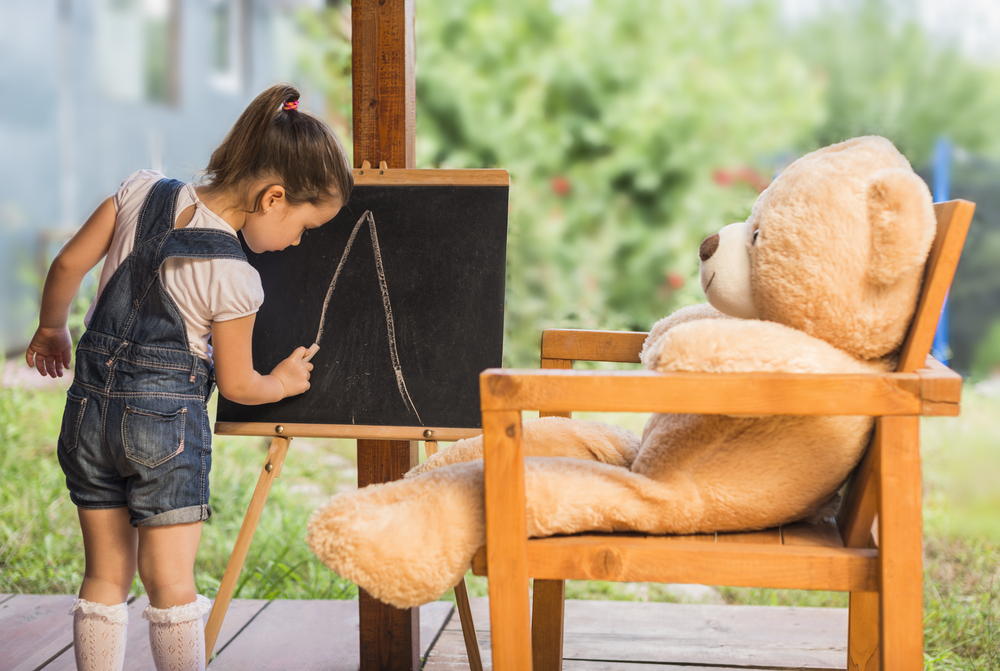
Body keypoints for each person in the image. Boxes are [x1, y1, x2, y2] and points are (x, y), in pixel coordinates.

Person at [24, 83, 353, 671]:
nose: (300, 241)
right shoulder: (233, 276)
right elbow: (238, 384)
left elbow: (69, 263)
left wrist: (52, 329)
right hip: (163, 435)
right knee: (170, 584)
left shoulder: (139, 190)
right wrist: (280, 381)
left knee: (102, 575)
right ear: (273, 197)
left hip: (87, 419)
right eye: (305, 225)